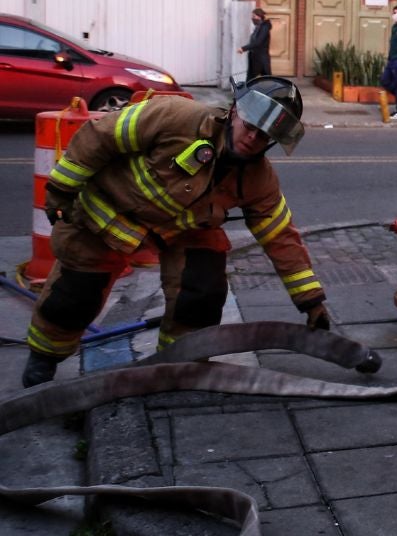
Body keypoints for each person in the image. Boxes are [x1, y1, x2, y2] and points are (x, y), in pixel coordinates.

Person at [22, 77, 329, 388]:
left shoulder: (258, 180)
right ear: (235, 110)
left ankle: (179, 364)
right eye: (249, 124)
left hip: (182, 231)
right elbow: (100, 136)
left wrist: (311, 301)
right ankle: (44, 357)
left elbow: (280, 238)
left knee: (202, 292)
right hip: (109, 212)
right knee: (75, 294)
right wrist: (62, 188)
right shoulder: (174, 117)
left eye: (264, 135)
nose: (252, 137)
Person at [238, 8, 272, 79]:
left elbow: (258, 42)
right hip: (255, 58)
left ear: (259, 17)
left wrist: (243, 48)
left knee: (267, 81)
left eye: (254, 16)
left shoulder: (264, 28)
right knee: (251, 80)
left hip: (261, 59)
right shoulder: (258, 27)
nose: (252, 18)